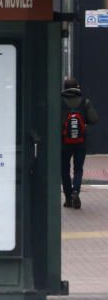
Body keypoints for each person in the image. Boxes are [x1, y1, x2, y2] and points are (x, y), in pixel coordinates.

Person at [62, 77, 99, 209]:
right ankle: (76, 191)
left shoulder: (60, 101)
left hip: (63, 143)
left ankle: (67, 198)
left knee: (64, 170)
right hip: (80, 142)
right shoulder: (85, 102)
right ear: (77, 87)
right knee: (78, 169)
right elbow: (94, 119)